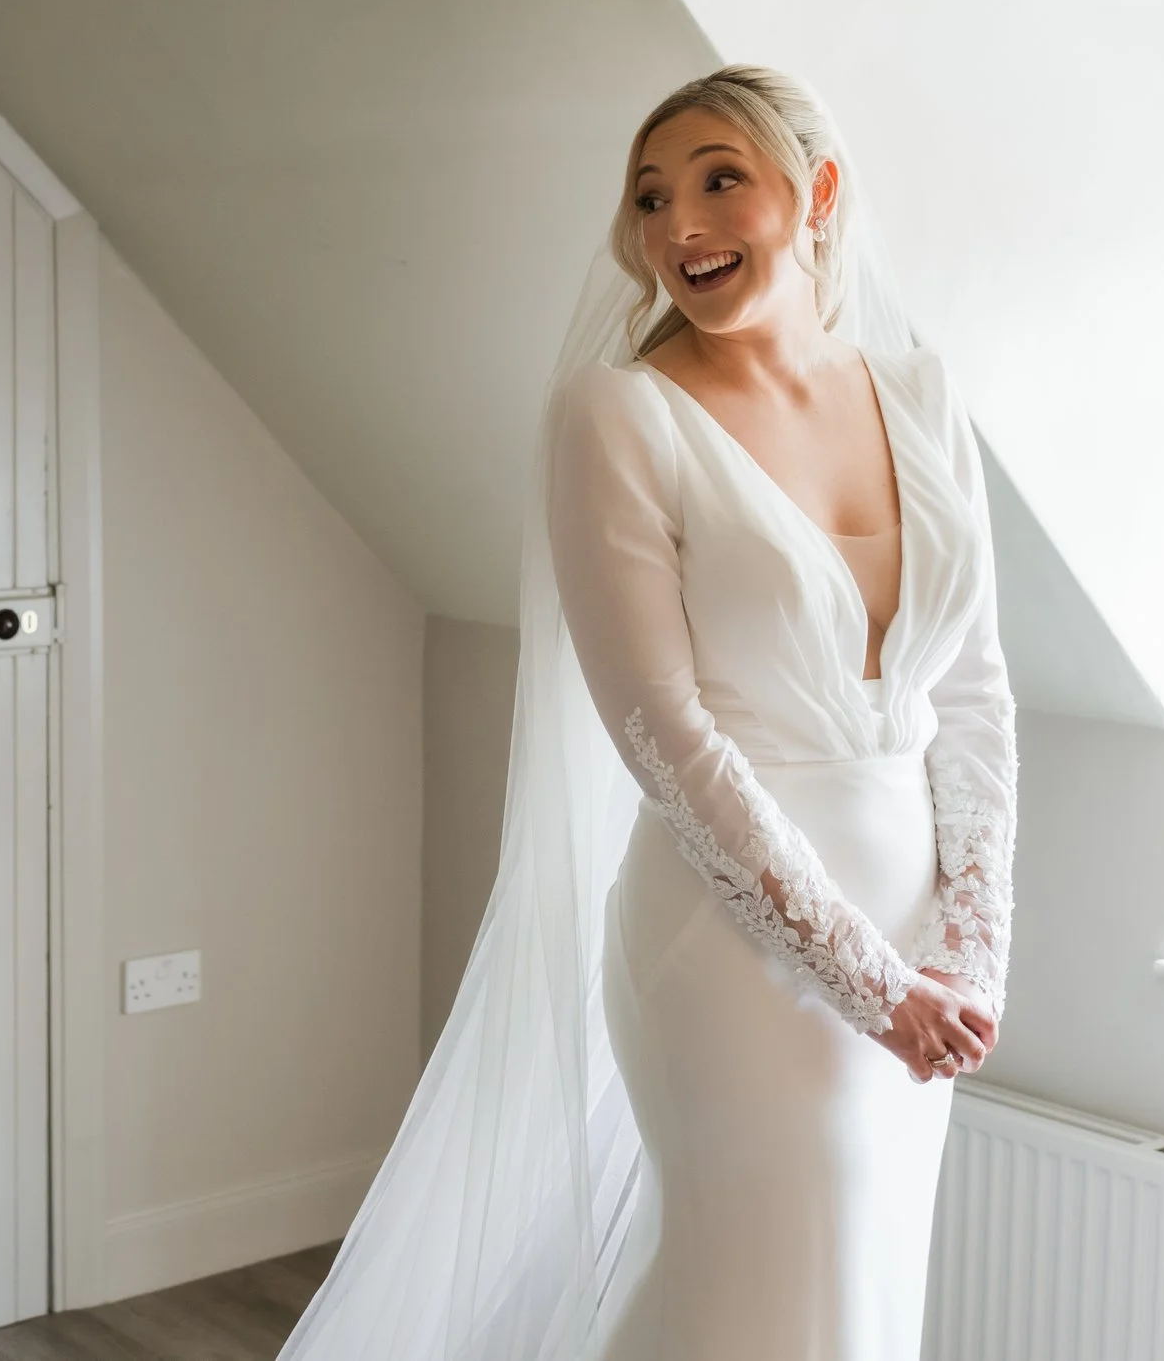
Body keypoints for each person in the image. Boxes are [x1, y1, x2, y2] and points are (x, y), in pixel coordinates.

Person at [280, 66, 1017, 1361]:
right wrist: (868, 978)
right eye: (649, 197)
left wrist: (968, 950)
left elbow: (975, 688)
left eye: (720, 179)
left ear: (816, 191)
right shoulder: (618, 413)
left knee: (858, 1295)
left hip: (918, 950)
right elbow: (664, 735)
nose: (680, 224)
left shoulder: (921, 393)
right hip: (731, 953)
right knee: (748, 1300)